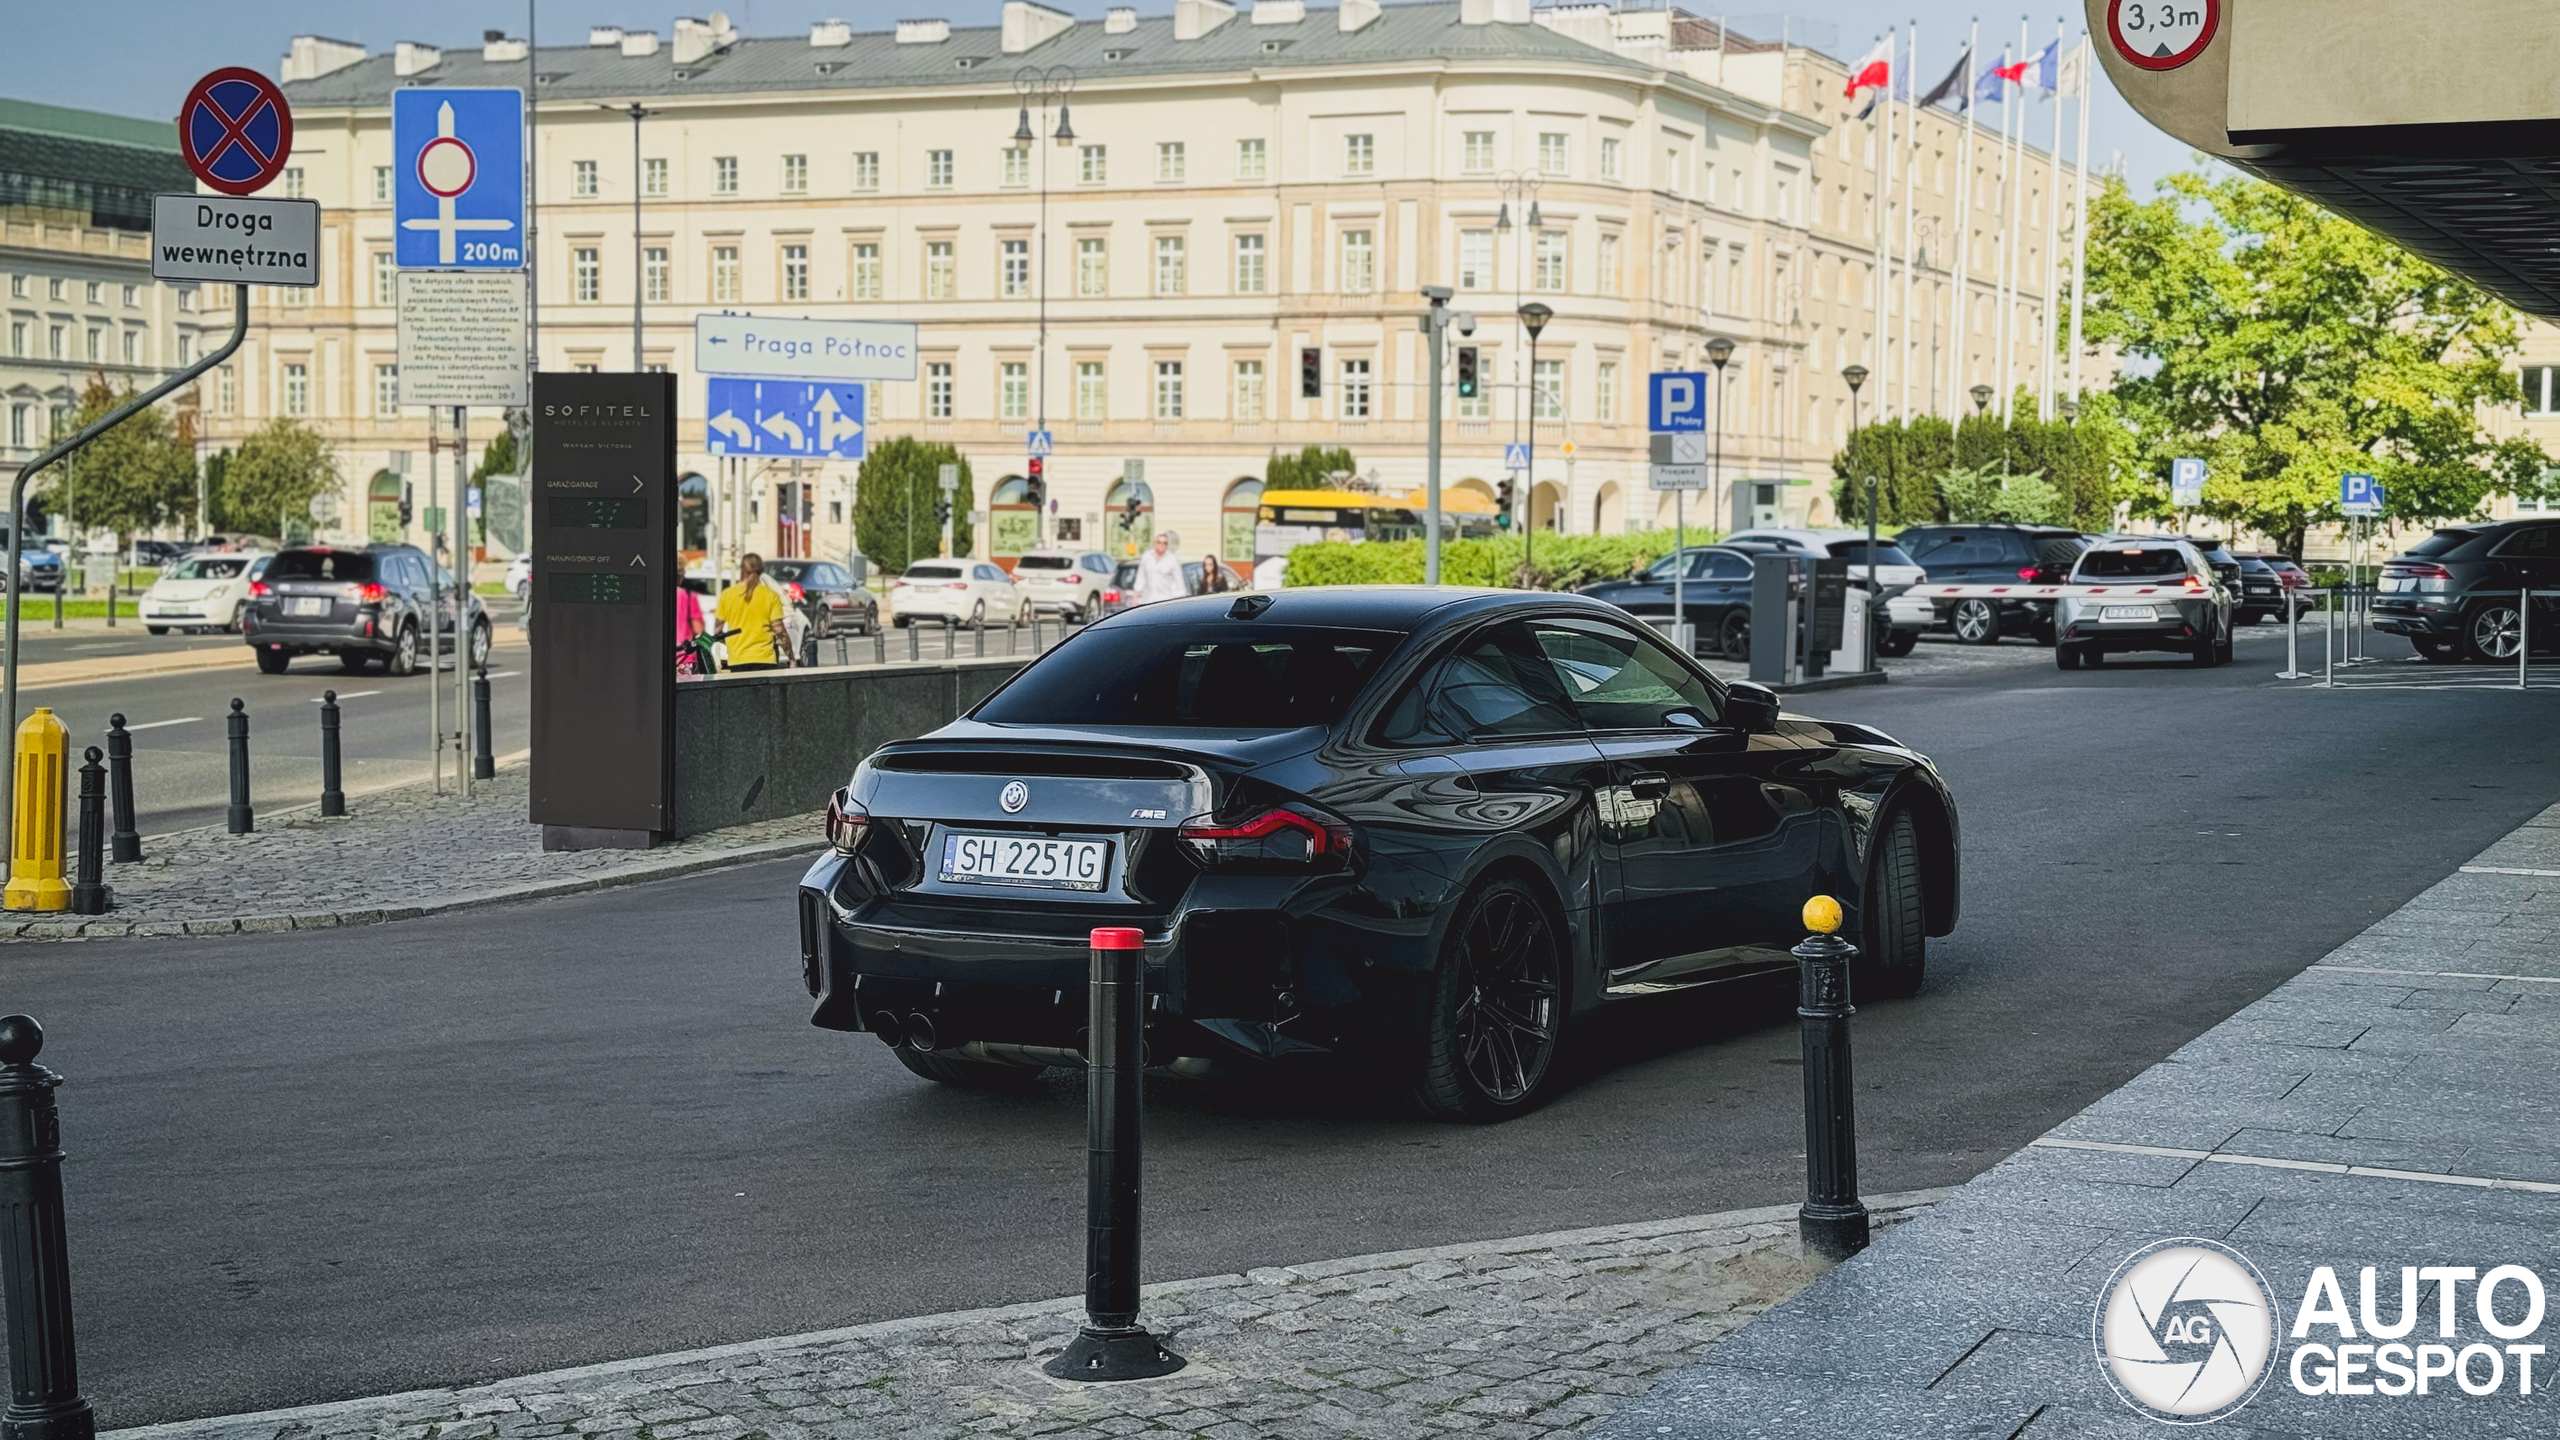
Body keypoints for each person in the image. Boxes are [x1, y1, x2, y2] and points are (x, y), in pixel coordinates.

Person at [715, 553, 787, 670]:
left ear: (742, 570)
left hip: (737, 660)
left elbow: (717, 631)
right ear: (761, 571)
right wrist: (792, 658)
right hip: (765, 659)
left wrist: (731, 643)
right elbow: (779, 631)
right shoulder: (770, 596)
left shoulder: (727, 595)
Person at [1134, 531, 1186, 606]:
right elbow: (1140, 577)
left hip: (1164, 603)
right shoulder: (1147, 557)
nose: (1161, 545)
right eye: (1159, 542)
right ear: (1154, 543)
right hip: (1147, 602)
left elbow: (1180, 586)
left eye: (1165, 543)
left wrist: (1174, 600)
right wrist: (1135, 596)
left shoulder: (1172, 560)